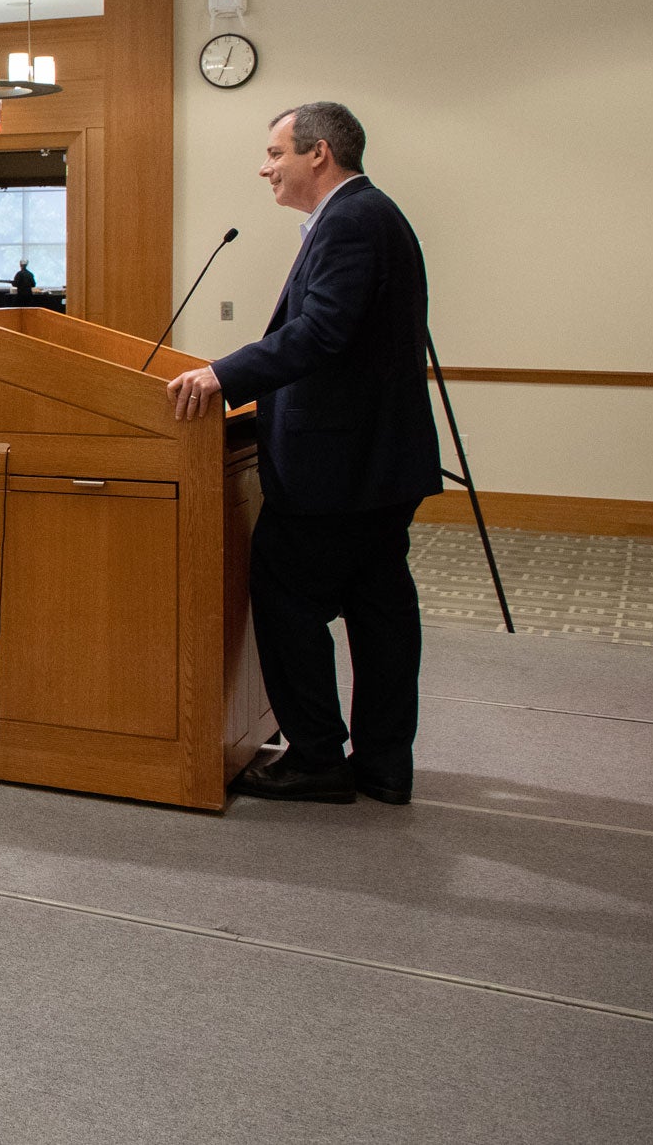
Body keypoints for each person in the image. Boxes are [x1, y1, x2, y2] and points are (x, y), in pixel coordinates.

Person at [168, 102, 439, 807]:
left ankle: (317, 755)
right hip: (376, 461)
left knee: (286, 591)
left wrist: (223, 375)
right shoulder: (372, 214)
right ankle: (382, 763)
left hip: (339, 467)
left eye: (275, 152)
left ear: (319, 153)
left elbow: (322, 331)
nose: (265, 168)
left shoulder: (351, 219)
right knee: (378, 607)